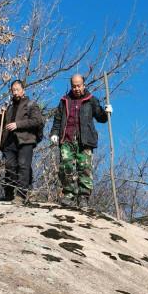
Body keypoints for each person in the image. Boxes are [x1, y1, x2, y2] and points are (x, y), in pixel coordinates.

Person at [50, 73, 112, 209]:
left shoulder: (91, 100)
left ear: (83, 85)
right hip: (67, 138)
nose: (76, 88)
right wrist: (54, 133)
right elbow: (58, 119)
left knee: (84, 168)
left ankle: (83, 197)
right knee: (66, 166)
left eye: (79, 86)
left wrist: (106, 112)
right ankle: (69, 195)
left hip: (85, 140)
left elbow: (100, 117)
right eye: (74, 86)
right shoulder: (64, 100)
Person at [0, 80, 43, 204]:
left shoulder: (31, 104)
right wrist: (1, 116)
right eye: (13, 90)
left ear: (23, 90)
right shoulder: (9, 107)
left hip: (26, 140)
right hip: (9, 141)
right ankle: (8, 194)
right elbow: (2, 126)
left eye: (17, 89)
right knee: (10, 166)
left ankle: (21, 195)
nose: (15, 92)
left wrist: (18, 125)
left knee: (23, 166)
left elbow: (37, 121)